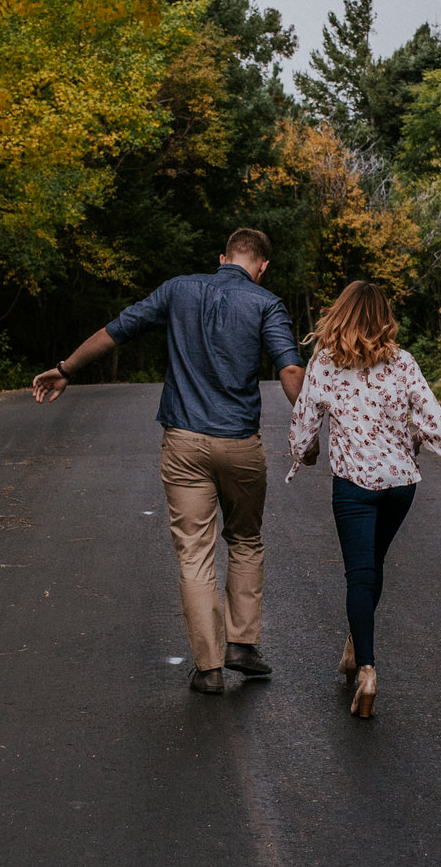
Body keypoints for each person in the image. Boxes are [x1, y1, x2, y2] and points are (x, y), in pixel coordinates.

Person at [32, 228, 304, 694]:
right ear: (261, 267)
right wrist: (314, 429)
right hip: (239, 445)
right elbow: (291, 371)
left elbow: (115, 330)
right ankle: (241, 643)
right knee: (245, 540)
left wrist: (64, 369)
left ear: (222, 258)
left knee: (195, 552)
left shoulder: (178, 289)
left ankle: (210, 668)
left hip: (183, 443)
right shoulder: (266, 304)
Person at [286, 280, 441, 719]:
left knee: (359, 575)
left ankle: (367, 670)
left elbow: (304, 430)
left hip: (354, 487)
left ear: (340, 315)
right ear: (384, 319)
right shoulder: (402, 362)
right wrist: (415, 440)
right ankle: (353, 647)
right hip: (400, 485)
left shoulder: (324, 364)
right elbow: (437, 424)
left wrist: (307, 454)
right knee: (372, 566)